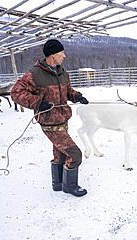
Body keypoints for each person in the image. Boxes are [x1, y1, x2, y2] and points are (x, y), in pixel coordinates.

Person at [11, 39, 89, 197]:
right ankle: (70, 186)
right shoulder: (34, 74)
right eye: (62, 53)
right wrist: (37, 103)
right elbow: (16, 92)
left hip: (63, 120)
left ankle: (58, 184)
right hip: (49, 122)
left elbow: (68, 91)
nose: (64, 56)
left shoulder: (62, 73)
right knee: (75, 154)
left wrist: (77, 96)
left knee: (60, 153)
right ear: (52, 55)